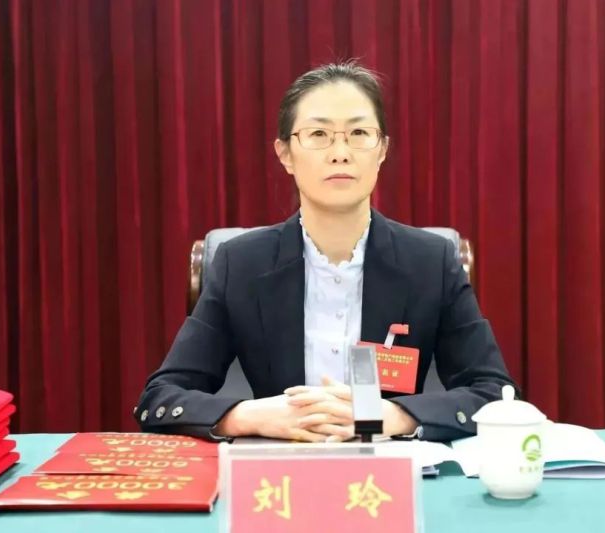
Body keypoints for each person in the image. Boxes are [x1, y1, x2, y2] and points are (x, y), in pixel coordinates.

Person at [134, 61, 515, 443]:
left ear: (382, 150)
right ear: (285, 153)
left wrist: (390, 416)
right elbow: (161, 399)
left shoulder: (430, 263)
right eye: (318, 134)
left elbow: (495, 394)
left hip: (391, 467)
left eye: (359, 133)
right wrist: (251, 416)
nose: (340, 153)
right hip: (279, 466)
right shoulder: (242, 264)